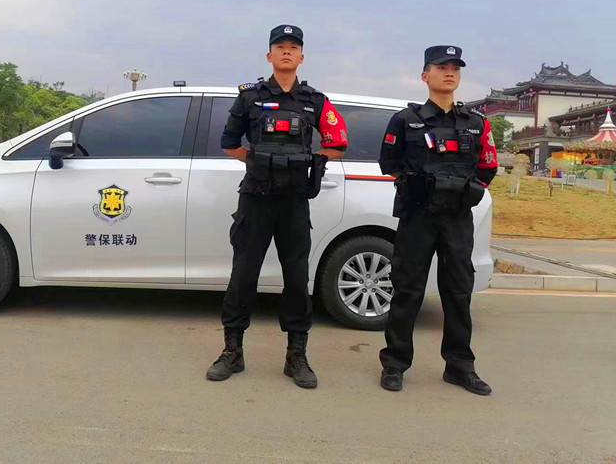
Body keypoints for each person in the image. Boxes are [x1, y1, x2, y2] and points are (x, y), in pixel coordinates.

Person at [206, 24, 348, 389]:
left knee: (297, 278)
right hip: (256, 198)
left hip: (294, 202)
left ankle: (296, 356)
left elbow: (337, 143)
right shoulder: (250, 97)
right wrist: (261, 163)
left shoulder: (316, 101)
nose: (287, 51)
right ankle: (232, 351)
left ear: (302, 56)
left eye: (293, 47)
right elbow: (229, 143)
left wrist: (310, 161)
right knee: (243, 276)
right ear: (269, 55)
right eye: (280, 46)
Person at [377, 45, 498, 395]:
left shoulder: (476, 123)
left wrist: (461, 190)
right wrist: (420, 188)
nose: (449, 73)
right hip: (418, 216)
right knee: (407, 289)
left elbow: (488, 165)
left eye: (455, 68)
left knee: (458, 292)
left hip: (457, 218)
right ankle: (395, 363)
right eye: (442, 67)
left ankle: (460, 367)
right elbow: (390, 163)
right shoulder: (405, 120)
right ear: (425, 75)